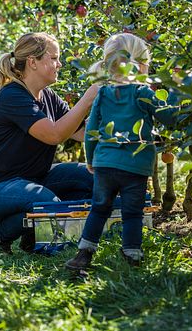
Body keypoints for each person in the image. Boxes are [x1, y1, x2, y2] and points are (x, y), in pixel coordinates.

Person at [0, 32, 100, 254]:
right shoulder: (12, 96)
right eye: (54, 58)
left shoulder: (48, 97)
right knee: (46, 203)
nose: (59, 64)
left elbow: (82, 132)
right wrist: (87, 98)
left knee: (94, 181)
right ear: (33, 62)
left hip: (35, 179)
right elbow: (54, 135)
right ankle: (3, 235)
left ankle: (31, 236)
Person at [65, 33, 177, 270]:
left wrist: (91, 159)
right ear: (141, 63)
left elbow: (92, 128)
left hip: (105, 164)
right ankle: (132, 255)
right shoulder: (143, 93)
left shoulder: (103, 93)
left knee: (99, 209)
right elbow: (170, 117)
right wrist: (178, 93)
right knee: (132, 213)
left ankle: (83, 254)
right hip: (134, 166)